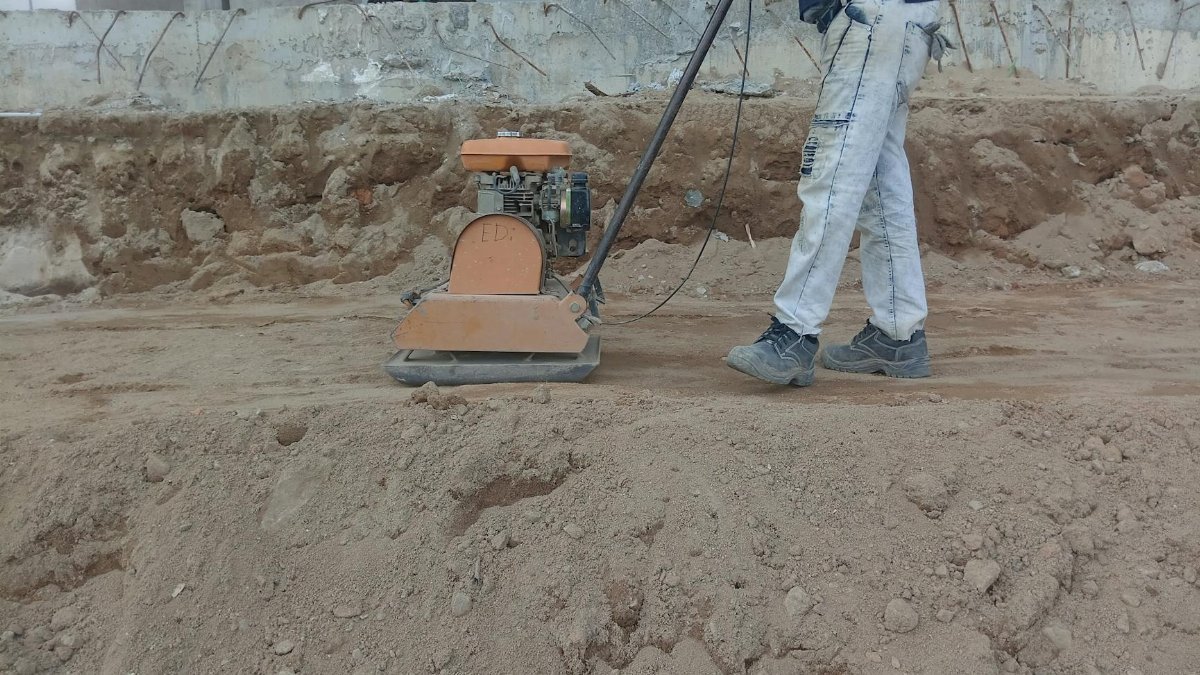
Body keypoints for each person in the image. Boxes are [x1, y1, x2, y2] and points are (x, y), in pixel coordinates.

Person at [727, 0, 946, 386]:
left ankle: (794, 333)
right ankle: (899, 333)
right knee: (882, 188)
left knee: (831, 176)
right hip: (905, 25)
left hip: (870, 22)